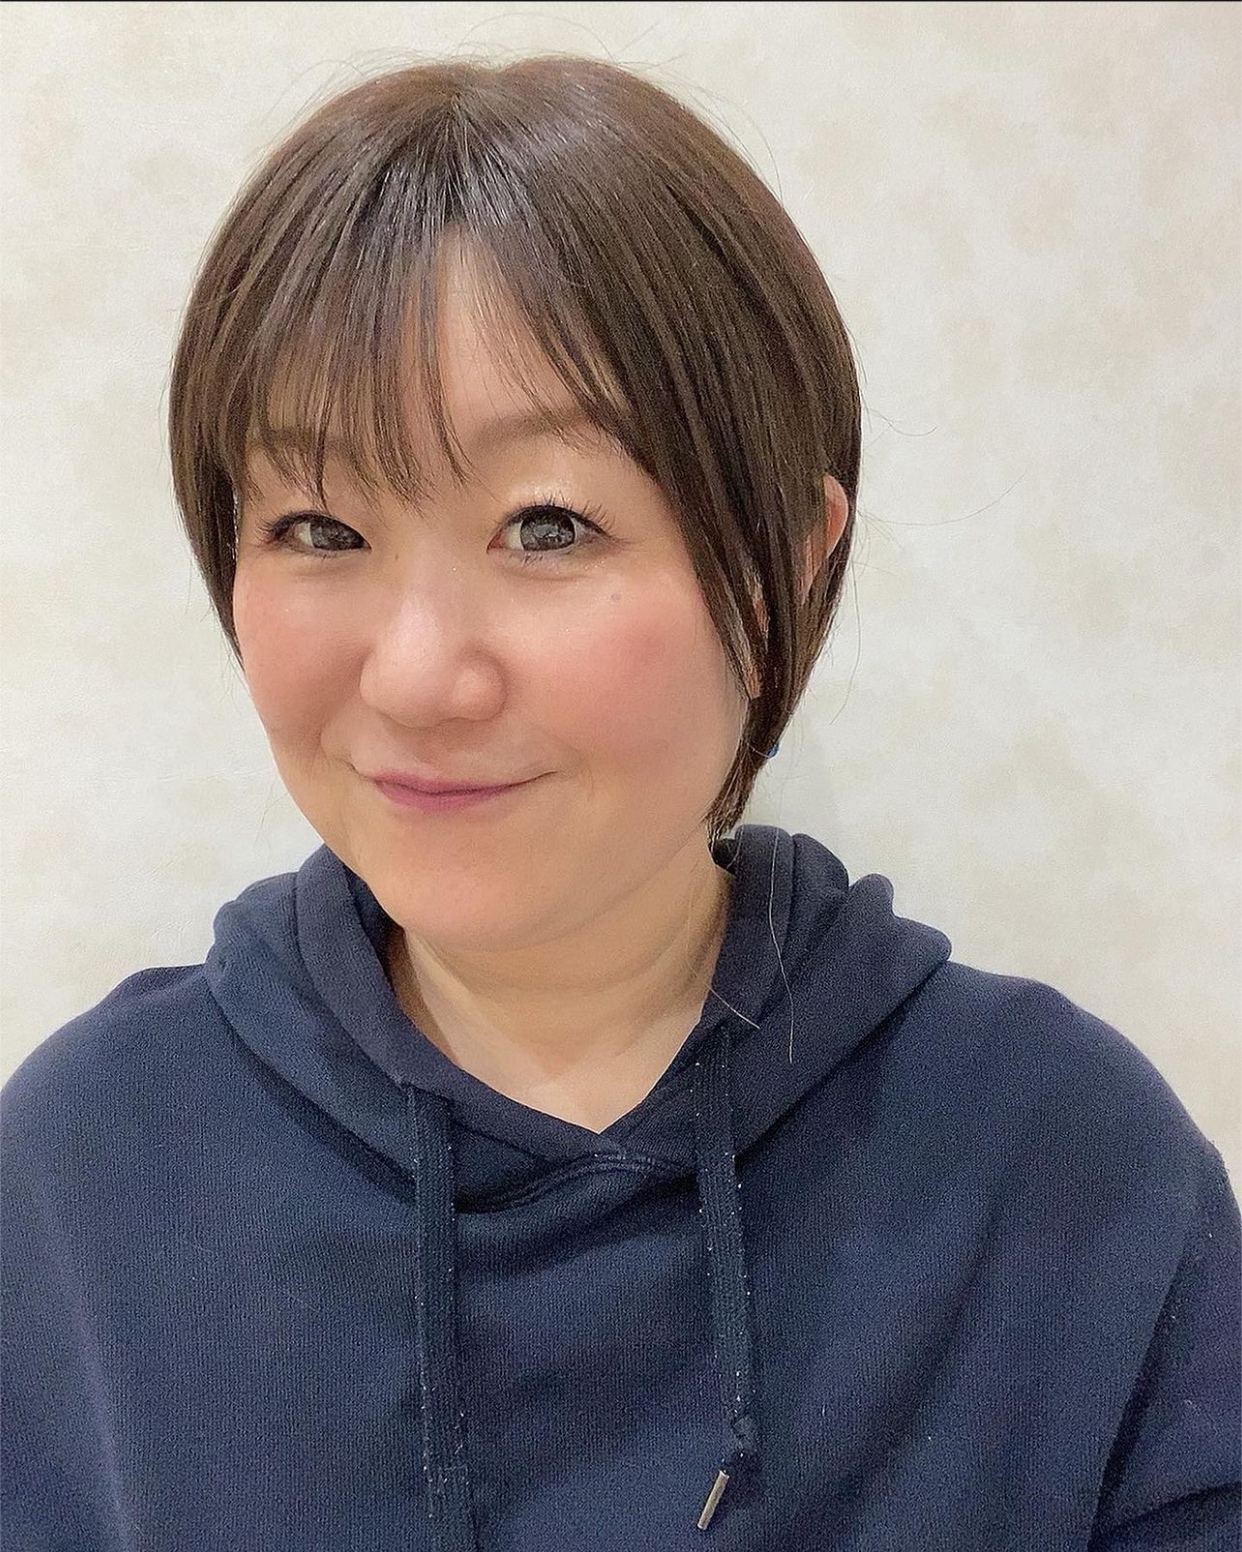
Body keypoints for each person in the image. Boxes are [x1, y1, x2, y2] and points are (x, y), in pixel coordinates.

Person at [1, 52, 1237, 1552]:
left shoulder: (1060, 1170)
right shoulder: (89, 1171)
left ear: (786, 567)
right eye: (318, 526)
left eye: (546, 525)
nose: (418, 675)